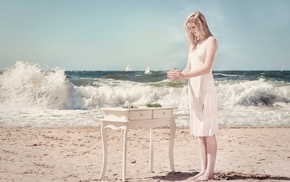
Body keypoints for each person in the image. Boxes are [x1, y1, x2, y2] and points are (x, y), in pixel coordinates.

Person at [168, 11, 218, 181]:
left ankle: (210, 172)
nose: (192, 31)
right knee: (199, 132)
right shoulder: (193, 45)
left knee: (208, 131)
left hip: (205, 88)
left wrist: (184, 76)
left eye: (194, 27)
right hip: (193, 89)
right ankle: (203, 170)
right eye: (189, 28)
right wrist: (178, 74)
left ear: (201, 24)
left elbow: (206, 68)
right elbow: (189, 68)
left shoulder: (211, 41)